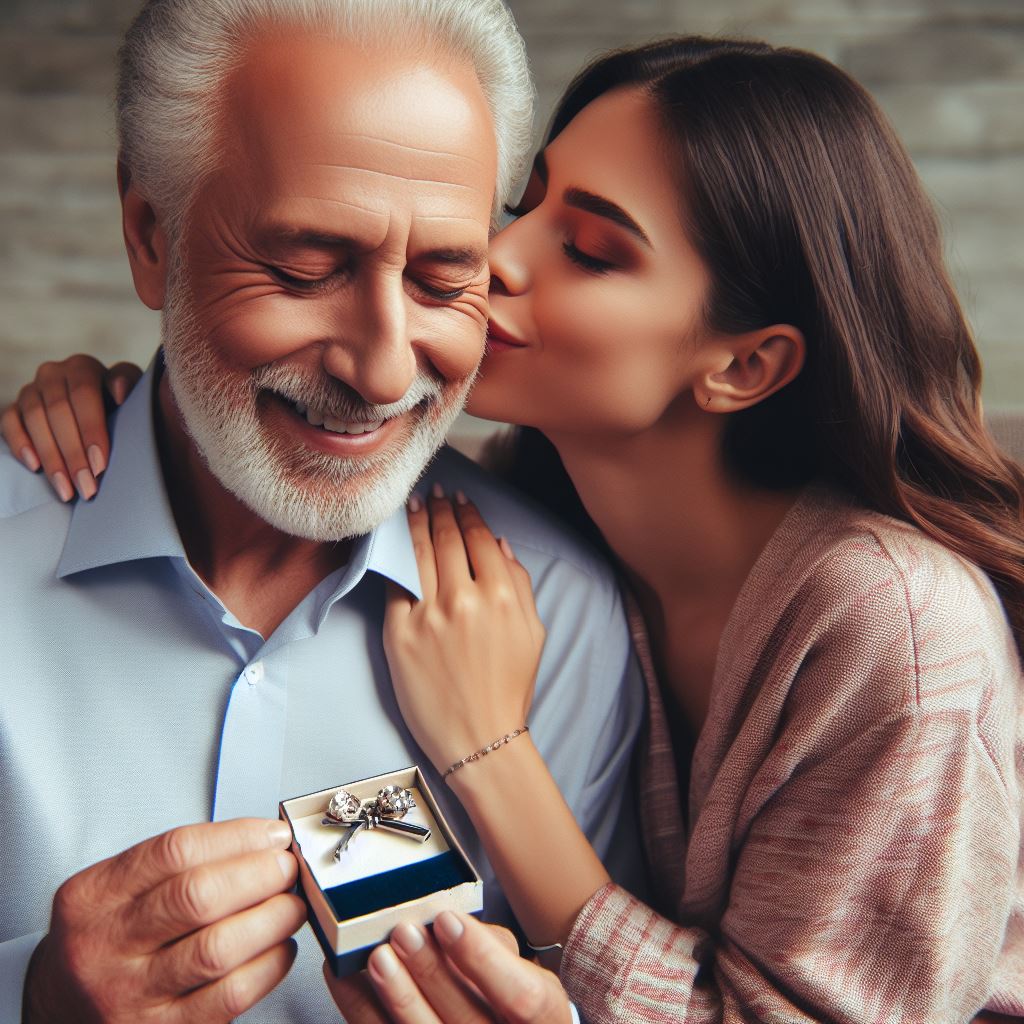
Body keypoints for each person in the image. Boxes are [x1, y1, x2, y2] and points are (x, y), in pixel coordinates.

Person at [9, 34, 1024, 1024]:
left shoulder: (891, 625)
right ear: (150, 235)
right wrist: (143, 404)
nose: (486, 261)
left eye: (588, 250)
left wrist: (490, 751)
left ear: (743, 365)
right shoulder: (529, 506)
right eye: (522, 206)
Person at [0, 3, 649, 1023]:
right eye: (304, 271)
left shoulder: (566, 614)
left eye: (446, 278)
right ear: (150, 234)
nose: (383, 371)